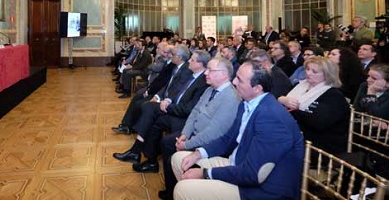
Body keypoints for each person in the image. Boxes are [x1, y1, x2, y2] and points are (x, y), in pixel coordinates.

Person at [172, 61, 304, 200]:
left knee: (183, 190)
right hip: (238, 165)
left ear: (257, 88)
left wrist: (205, 173)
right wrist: (198, 154)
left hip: (260, 190)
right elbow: (228, 139)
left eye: (239, 80)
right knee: (178, 159)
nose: (233, 81)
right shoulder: (246, 104)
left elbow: (253, 174)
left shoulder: (271, 118)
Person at [156, 58, 241, 200]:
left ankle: (181, 191)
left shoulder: (231, 98)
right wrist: (184, 134)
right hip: (194, 134)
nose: (206, 73)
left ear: (223, 74)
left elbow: (214, 133)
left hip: (210, 143)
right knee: (167, 142)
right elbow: (194, 112)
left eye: (210, 70)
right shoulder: (210, 89)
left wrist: (186, 144)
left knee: (173, 154)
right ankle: (171, 190)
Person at [112, 49, 209, 165]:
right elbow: (175, 90)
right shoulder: (192, 75)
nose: (189, 61)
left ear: (199, 64)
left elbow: (188, 109)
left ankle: (138, 152)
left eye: (192, 60)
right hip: (172, 106)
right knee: (151, 116)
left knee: (149, 108)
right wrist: (167, 100)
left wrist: (167, 106)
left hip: (182, 116)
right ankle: (146, 157)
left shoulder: (202, 81)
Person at [279, 57, 350, 156]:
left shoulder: (333, 96)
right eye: (307, 69)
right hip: (297, 133)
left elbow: (319, 123)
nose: (308, 73)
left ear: (327, 75)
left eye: (314, 71)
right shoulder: (300, 86)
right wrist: (281, 100)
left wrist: (294, 110)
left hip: (319, 143)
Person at [112, 44, 177, 134]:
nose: (163, 54)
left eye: (166, 52)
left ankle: (132, 127)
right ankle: (126, 125)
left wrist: (150, 91)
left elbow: (162, 80)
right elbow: (157, 76)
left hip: (159, 92)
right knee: (136, 97)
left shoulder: (171, 65)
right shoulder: (166, 61)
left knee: (140, 103)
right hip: (154, 87)